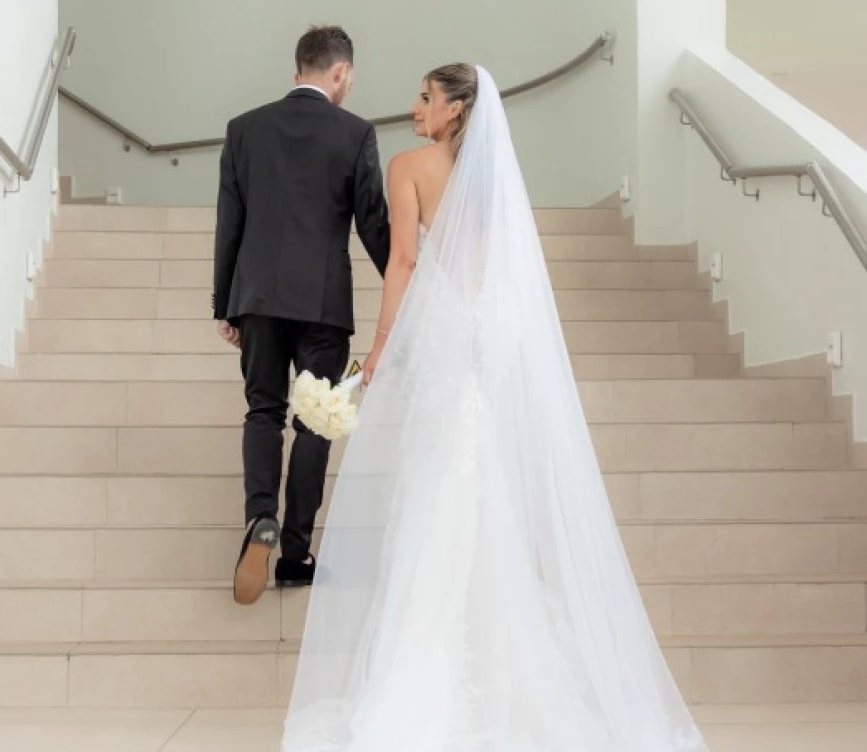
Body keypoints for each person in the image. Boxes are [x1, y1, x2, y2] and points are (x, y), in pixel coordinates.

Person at [282, 65, 709, 750]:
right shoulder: (493, 181)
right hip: (487, 332)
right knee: (479, 488)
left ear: (454, 111)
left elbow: (403, 264)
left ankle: (425, 675)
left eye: (426, 97)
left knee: (439, 489)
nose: (415, 105)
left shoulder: (409, 167)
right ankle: (509, 670)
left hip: (444, 330)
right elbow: (499, 270)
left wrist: (382, 344)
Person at [212, 26, 390, 606]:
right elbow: (373, 224)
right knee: (316, 421)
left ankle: (259, 518)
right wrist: (409, 286)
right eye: (350, 79)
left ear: (299, 72)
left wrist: (225, 303)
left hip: (258, 296)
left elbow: (229, 226)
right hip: (322, 304)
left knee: (263, 410)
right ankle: (295, 552)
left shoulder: (244, 130)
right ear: (339, 73)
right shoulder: (355, 132)